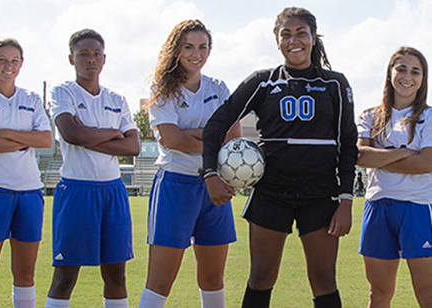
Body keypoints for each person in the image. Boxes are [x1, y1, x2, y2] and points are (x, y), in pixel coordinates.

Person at [201, 7, 358, 308]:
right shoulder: (262, 81)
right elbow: (216, 126)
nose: (293, 40)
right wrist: (210, 173)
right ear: (277, 40)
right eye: (286, 34)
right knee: (261, 277)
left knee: (324, 280)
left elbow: (348, 144)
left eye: (301, 33)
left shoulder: (335, 84)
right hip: (272, 192)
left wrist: (346, 199)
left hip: (321, 193)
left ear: (313, 37)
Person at [137, 20, 241, 308]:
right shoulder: (162, 87)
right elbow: (171, 139)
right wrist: (210, 137)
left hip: (215, 187)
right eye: (189, 47)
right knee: (160, 282)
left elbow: (233, 136)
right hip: (176, 184)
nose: (197, 54)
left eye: (203, 47)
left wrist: (193, 135)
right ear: (176, 50)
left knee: (212, 280)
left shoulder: (218, 88)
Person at [45, 29, 140, 308]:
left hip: (113, 191)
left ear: (104, 58)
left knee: (116, 275)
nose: (91, 60)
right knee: (65, 275)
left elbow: (133, 147)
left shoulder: (117, 99)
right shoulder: (62, 92)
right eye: (84, 54)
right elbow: (72, 134)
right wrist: (112, 133)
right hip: (77, 190)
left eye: (96, 54)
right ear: (71, 58)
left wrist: (90, 135)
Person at [0, 38, 52, 308]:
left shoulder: (31, 98)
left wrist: (7, 134)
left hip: (29, 191)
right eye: (2, 59)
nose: (8, 66)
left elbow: (46, 140)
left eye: (14, 60)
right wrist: (27, 139)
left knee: (25, 273)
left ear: (21, 64)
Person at [356, 47, 432, 308]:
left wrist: (382, 157)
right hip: (378, 207)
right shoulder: (369, 116)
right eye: (401, 68)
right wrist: (403, 153)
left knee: (428, 294)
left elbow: (426, 162)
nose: (407, 76)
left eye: (415, 71)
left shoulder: (429, 116)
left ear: (423, 79)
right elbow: (361, 157)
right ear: (390, 73)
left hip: (418, 208)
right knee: (378, 294)